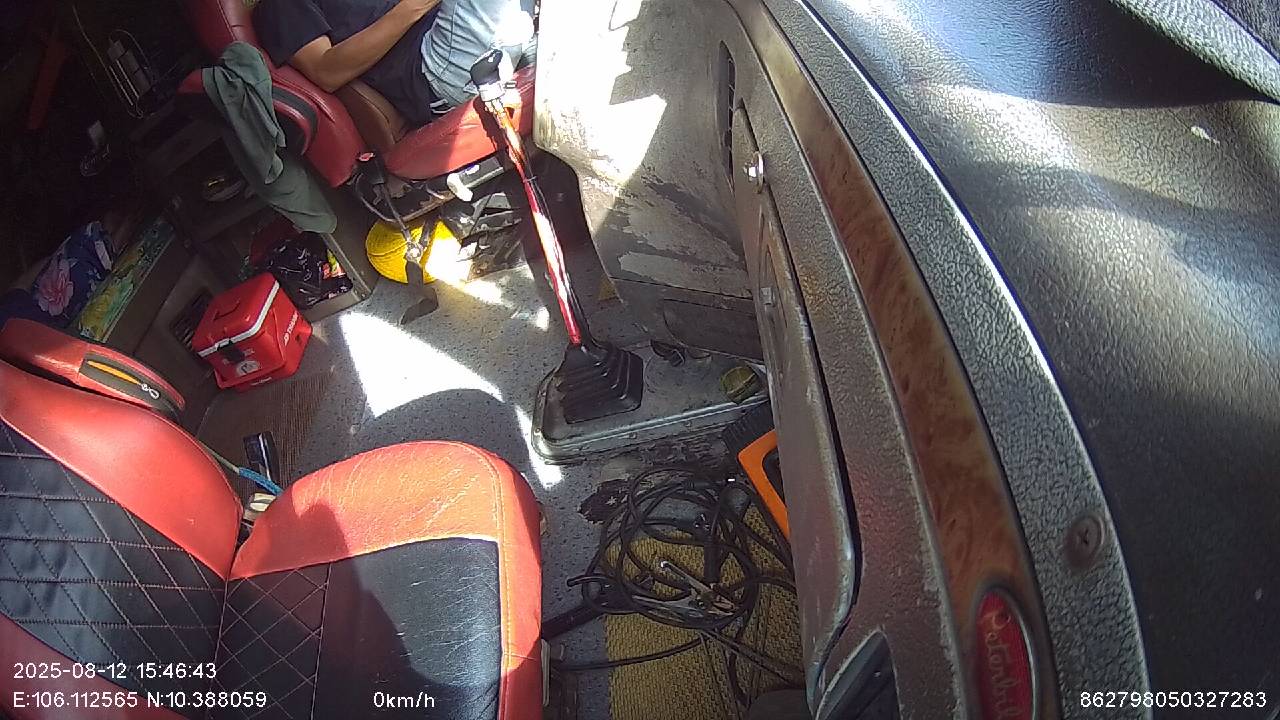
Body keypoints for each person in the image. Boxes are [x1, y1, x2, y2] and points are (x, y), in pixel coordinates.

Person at [252, 0, 535, 127]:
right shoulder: (281, 6)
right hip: (432, 71)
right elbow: (326, 71)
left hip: (459, 33)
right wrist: (413, 6)